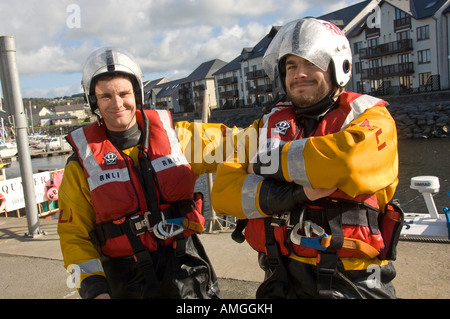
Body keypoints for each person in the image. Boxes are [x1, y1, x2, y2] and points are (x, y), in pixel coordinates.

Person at [211, 18, 401, 299]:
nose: (300, 73)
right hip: (280, 276)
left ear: (339, 67)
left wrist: (264, 164)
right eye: (291, 66)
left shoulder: (370, 118)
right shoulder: (265, 126)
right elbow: (224, 193)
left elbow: (346, 161)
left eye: (312, 63)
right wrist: (299, 193)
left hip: (353, 280)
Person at [57, 47, 221, 299]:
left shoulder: (180, 139)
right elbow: (73, 236)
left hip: (187, 270)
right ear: (94, 102)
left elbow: (242, 146)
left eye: (124, 93)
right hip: (126, 280)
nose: (117, 103)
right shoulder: (80, 166)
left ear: (137, 94)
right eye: (105, 96)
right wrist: (93, 289)